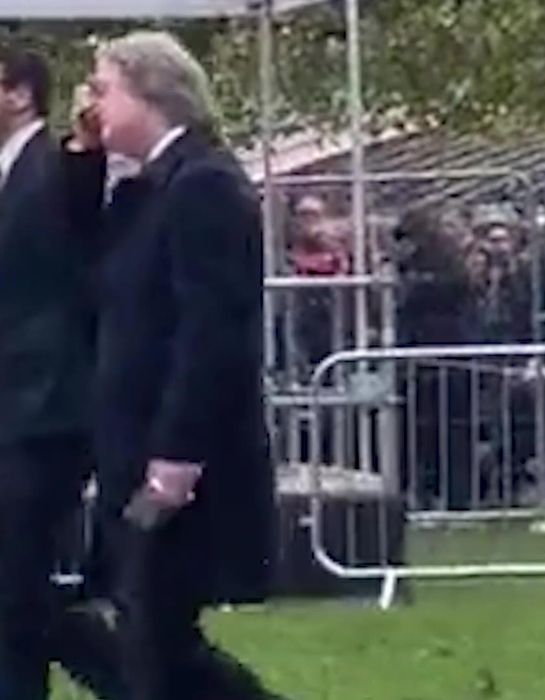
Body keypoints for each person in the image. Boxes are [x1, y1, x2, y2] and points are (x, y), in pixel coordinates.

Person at [80, 31, 280, 700]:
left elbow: (213, 332)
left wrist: (177, 453)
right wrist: (83, 155)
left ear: (151, 93)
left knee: (158, 644)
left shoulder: (205, 185)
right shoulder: (149, 188)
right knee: (142, 638)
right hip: (131, 444)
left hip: (173, 457)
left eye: (103, 89)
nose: (91, 104)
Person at [0, 46, 128, 700]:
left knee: (15, 576)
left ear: (17, 93)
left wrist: (86, 145)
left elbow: (79, 203)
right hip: (14, 407)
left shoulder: (52, 166)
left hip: (44, 410)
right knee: (16, 585)